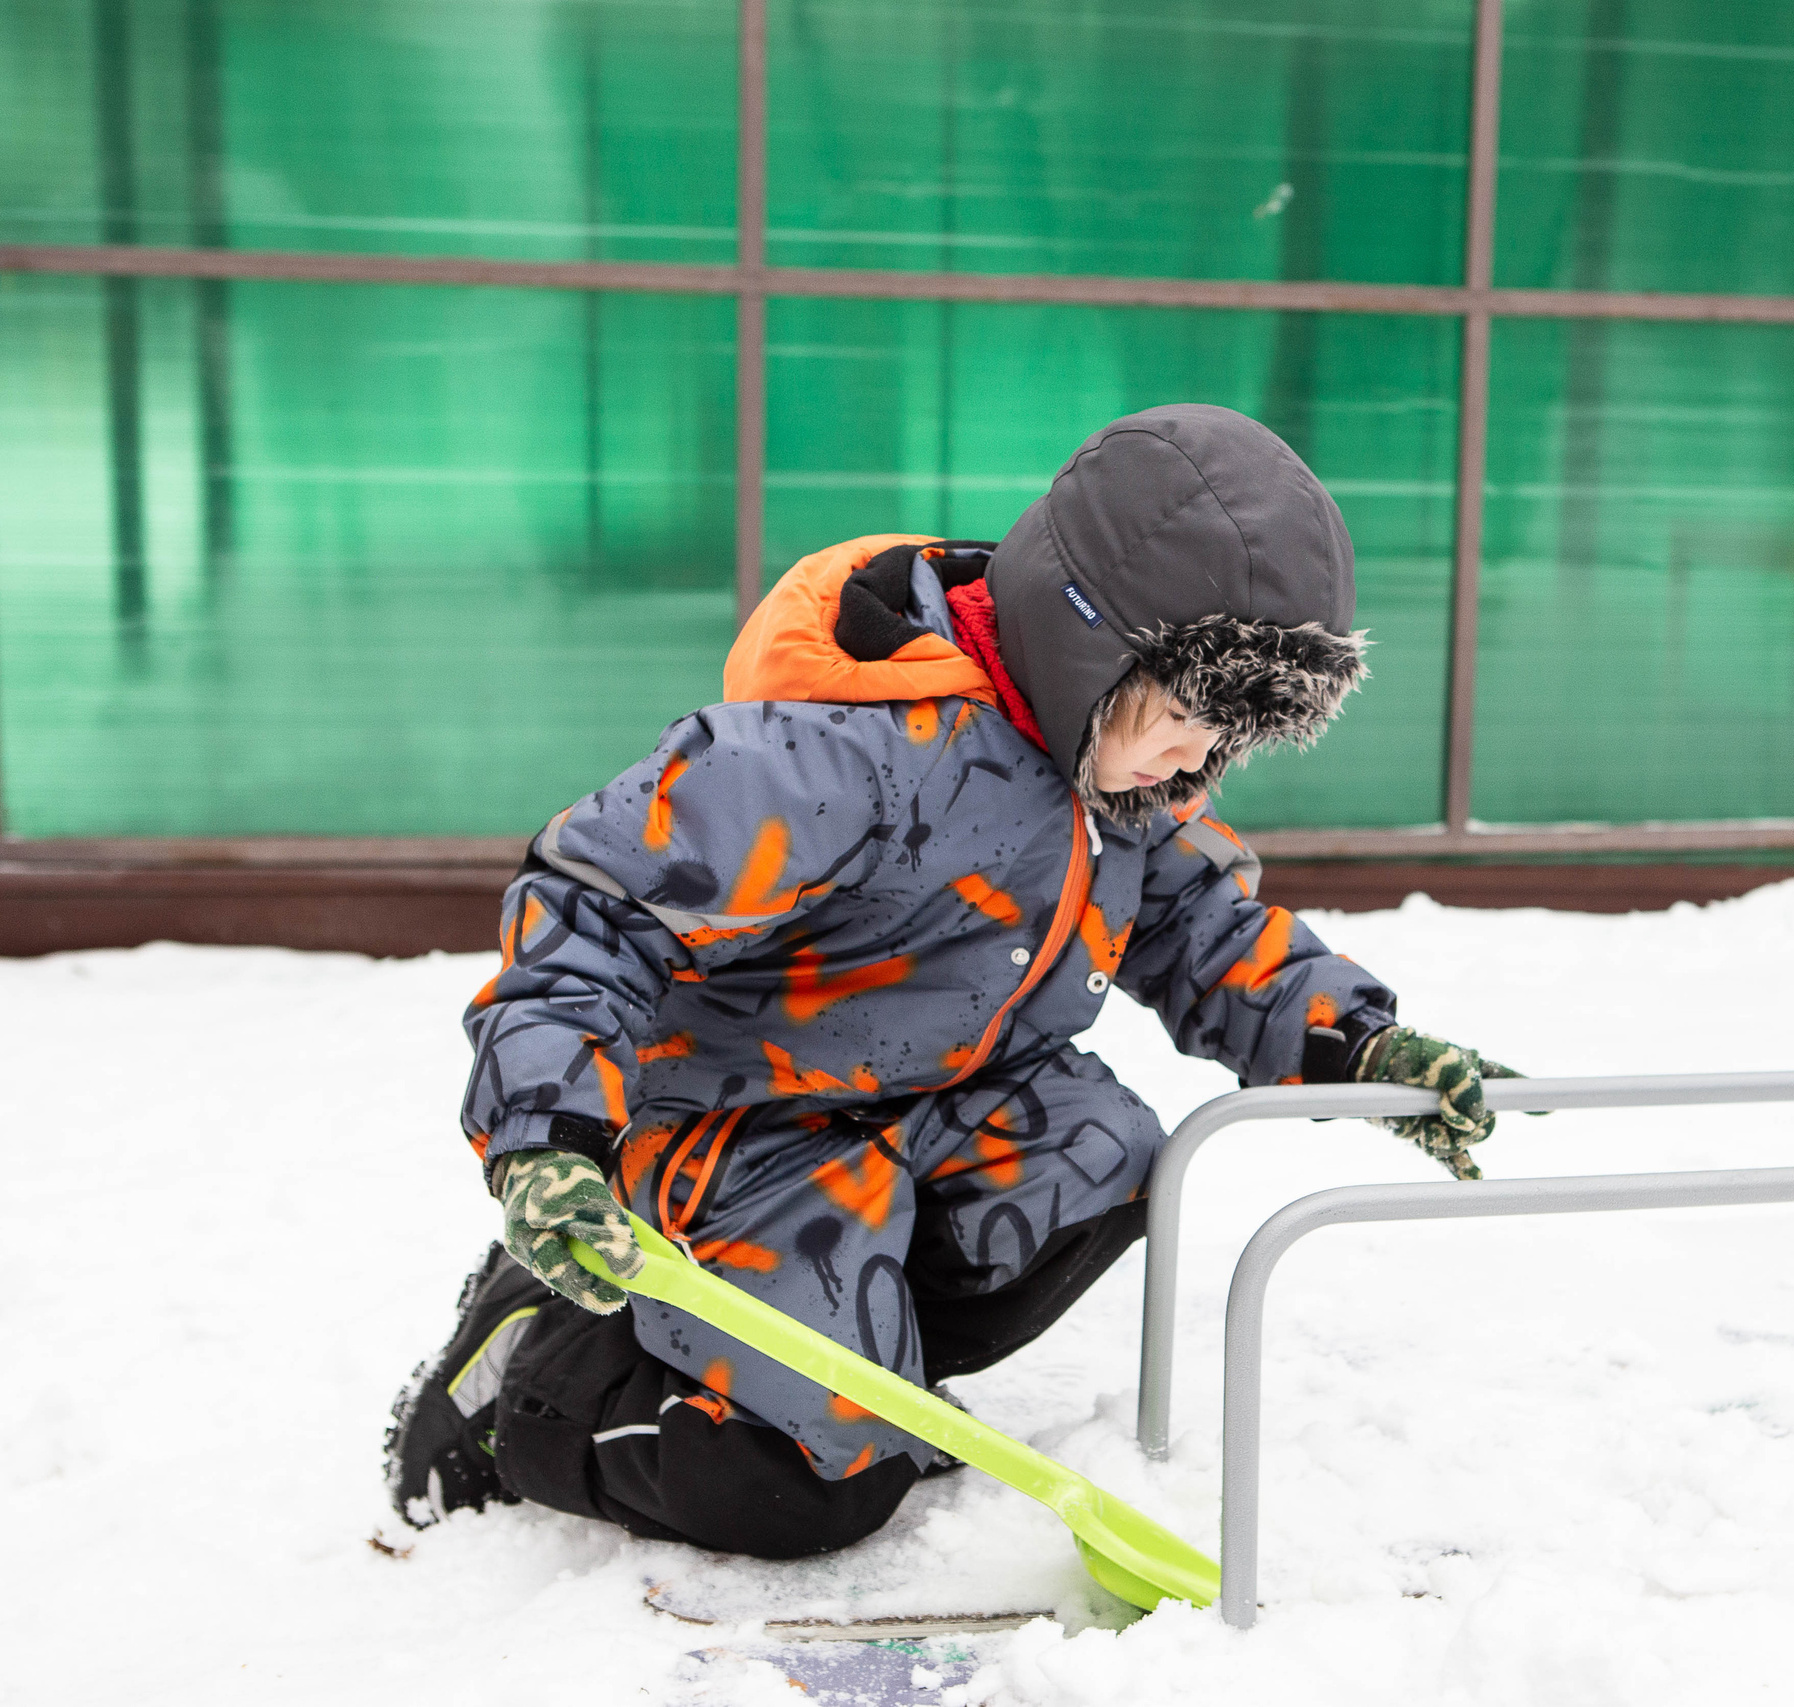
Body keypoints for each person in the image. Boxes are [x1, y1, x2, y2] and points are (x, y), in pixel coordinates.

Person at [385, 404, 1521, 1557]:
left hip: (936, 1100)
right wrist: (547, 1138)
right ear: (1087, 647)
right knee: (802, 1491)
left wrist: (1361, 1045)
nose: (1197, 759)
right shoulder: (841, 751)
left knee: (1107, 1162)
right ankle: (520, 1385)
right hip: (743, 1126)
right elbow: (596, 905)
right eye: (1185, 716)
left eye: (1227, 735)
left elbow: (1200, 926)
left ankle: (853, 1365)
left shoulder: (1115, 767)